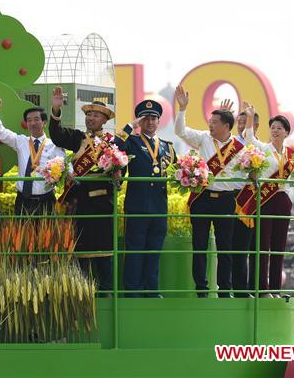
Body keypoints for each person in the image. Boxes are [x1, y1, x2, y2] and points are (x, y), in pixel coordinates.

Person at [174, 85, 247, 298]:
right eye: (210, 122)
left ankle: (225, 290)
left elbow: (245, 176)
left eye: (214, 123)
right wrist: (182, 109)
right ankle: (201, 289)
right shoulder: (204, 139)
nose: (210, 125)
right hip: (203, 198)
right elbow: (181, 131)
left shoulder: (240, 148)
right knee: (200, 246)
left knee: (225, 249)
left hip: (227, 200)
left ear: (227, 126)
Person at [48, 88, 118, 295]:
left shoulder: (112, 142)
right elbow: (57, 136)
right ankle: (83, 295)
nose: (91, 118)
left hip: (104, 204)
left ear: (104, 120)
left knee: (105, 253)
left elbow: (121, 168)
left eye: (96, 115)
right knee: (81, 252)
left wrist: (118, 173)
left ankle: (106, 294)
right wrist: (56, 108)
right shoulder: (78, 138)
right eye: (88, 114)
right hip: (80, 203)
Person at [112, 99, 177, 298]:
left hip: (159, 206)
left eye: (153, 118)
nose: (150, 122)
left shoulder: (167, 146)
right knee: (135, 250)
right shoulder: (132, 141)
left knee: (154, 250)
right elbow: (114, 145)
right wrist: (131, 125)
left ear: (159, 121)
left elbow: (177, 170)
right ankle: (132, 290)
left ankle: (152, 289)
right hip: (137, 204)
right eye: (145, 118)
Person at [238, 103, 294, 297]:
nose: (275, 131)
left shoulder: (292, 155)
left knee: (279, 247)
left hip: (283, 201)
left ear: (286, 132)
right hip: (265, 200)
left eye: (279, 128)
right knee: (262, 247)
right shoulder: (263, 148)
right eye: (272, 128)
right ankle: (262, 289)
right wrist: (250, 117)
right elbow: (249, 137)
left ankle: (275, 289)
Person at [0, 91, 65, 216]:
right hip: (23, 200)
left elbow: (65, 166)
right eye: (29, 120)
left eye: (36, 119)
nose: (32, 123)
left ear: (44, 122)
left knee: (46, 234)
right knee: (22, 234)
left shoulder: (54, 145)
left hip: (46, 199)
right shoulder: (20, 141)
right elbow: (1, 132)